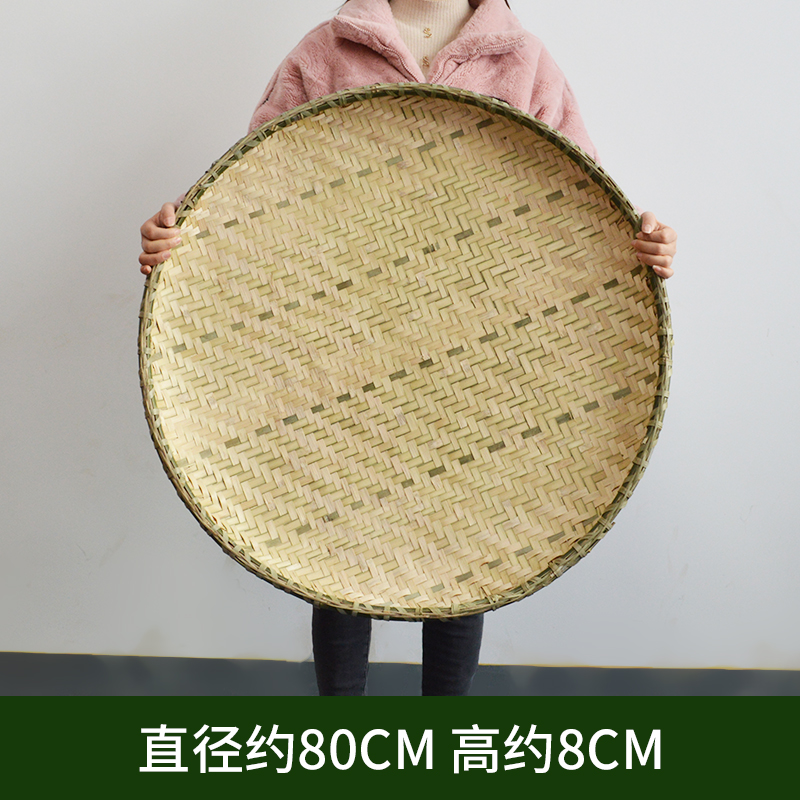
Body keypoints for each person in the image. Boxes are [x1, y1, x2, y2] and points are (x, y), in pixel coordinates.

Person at [138, 0, 678, 696]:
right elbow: (253, 193)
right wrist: (178, 238)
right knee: (334, 542)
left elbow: (581, 201)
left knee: (471, 550)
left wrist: (645, 242)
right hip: (345, 345)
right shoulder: (327, 52)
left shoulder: (522, 60)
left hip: (486, 348)